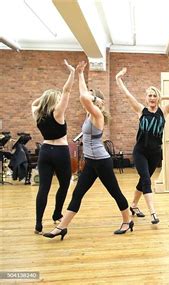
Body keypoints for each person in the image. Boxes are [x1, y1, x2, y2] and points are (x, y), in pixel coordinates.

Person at [43, 61, 133, 240]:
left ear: (97, 101)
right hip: (91, 161)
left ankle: (127, 220)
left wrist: (93, 98)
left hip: (102, 160)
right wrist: (80, 74)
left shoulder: (97, 115)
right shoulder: (89, 113)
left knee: (114, 192)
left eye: (92, 97)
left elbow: (84, 97)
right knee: (78, 193)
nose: (88, 97)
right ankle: (62, 227)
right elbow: (83, 94)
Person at [115, 67, 169, 224]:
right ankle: (153, 213)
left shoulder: (163, 111)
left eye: (154, 96)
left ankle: (133, 205)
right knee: (146, 180)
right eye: (150, 96)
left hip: (155, 153)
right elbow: (126, 94)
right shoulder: (140, 110)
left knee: (143, 180)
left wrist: (162, 96)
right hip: (140, 151)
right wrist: (118, 78)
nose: (152, 98)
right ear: (146, 98)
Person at [31, 60, 75, 234]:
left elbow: (35, 103)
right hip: (60, 152)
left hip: (45, 152)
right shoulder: (58, 113)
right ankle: (57, 213)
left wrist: (45, 96)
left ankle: (38, 224)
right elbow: (67, 91)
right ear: (55, 101)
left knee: (44, 188)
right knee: (64, 185)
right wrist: (72, 73)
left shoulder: (37, 113)